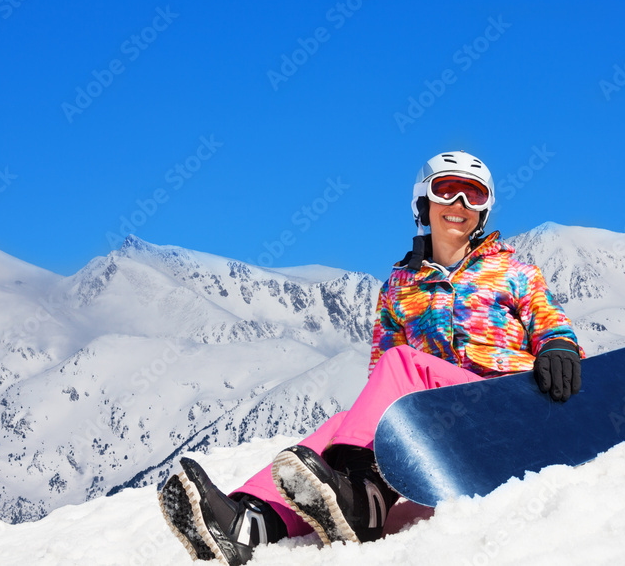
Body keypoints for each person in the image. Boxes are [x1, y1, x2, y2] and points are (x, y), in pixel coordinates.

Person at [159, 150, 583, 564]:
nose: (460, 204)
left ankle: (366, 496)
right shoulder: (399, 287)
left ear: (485, 210)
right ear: (423, 201)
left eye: (474, 195)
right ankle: (251, 521)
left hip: (501, 406)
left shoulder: (513, 272)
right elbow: (380, 382)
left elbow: (550, 322)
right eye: (448, 190)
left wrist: (559, 347)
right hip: (442, 421)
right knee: (343, 424)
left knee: (399, 364)